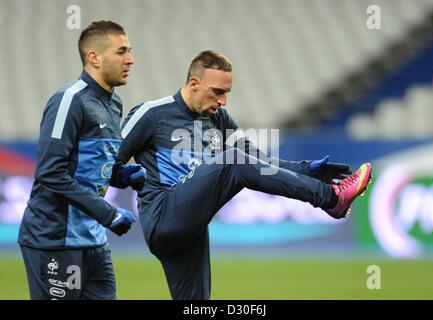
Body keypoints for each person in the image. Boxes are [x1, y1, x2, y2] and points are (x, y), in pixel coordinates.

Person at [117, 50, 372, 300]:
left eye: (227, 93)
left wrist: (307, 169)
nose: (223, 101)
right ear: (194, 83)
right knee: (233, 161)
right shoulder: (151, 113)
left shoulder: (220, 119)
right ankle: (330, 199)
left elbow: (258, 162)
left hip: (192, 226)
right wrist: (124, 181)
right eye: (217, 92)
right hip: (162, 215)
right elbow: (108, 165)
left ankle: (327, 195)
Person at [18, 20, 146, 300]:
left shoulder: (114, 103)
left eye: (130, 51)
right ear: (94, 57)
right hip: (54, 240)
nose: (130, 59)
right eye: (122, 51)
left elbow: (89, 166)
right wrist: (107, 212)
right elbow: (51, 174)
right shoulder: (69, 100)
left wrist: (120, 175)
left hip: (93, 242)